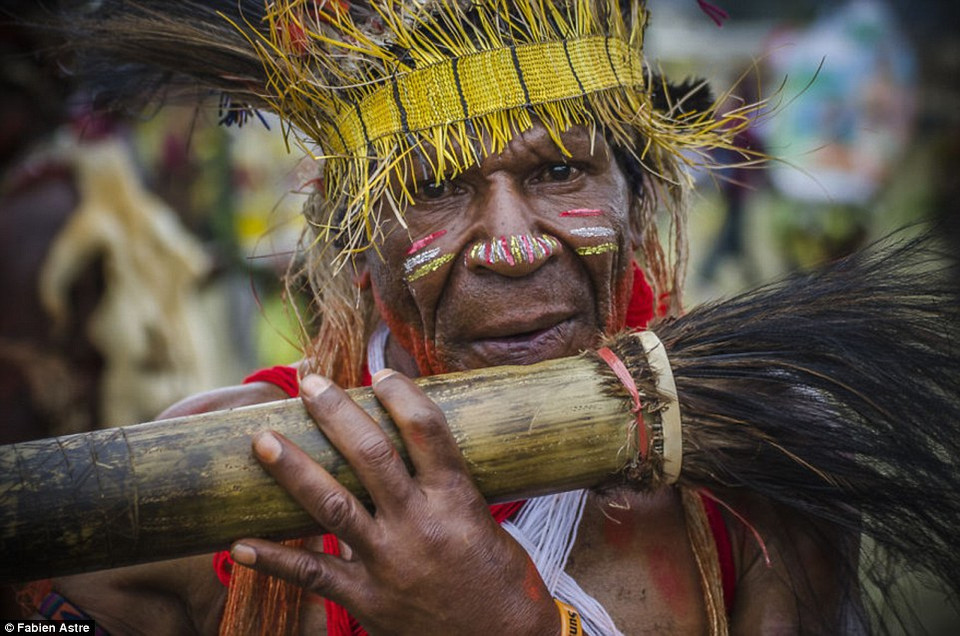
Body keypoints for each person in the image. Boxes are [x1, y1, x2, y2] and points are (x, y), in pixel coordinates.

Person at [26, 1, 863, 634]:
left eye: (562, 170)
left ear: (639, 207)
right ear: (353, 243)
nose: (512, 247)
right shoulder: (214, 486)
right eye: (433, 186)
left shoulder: (760, 475)